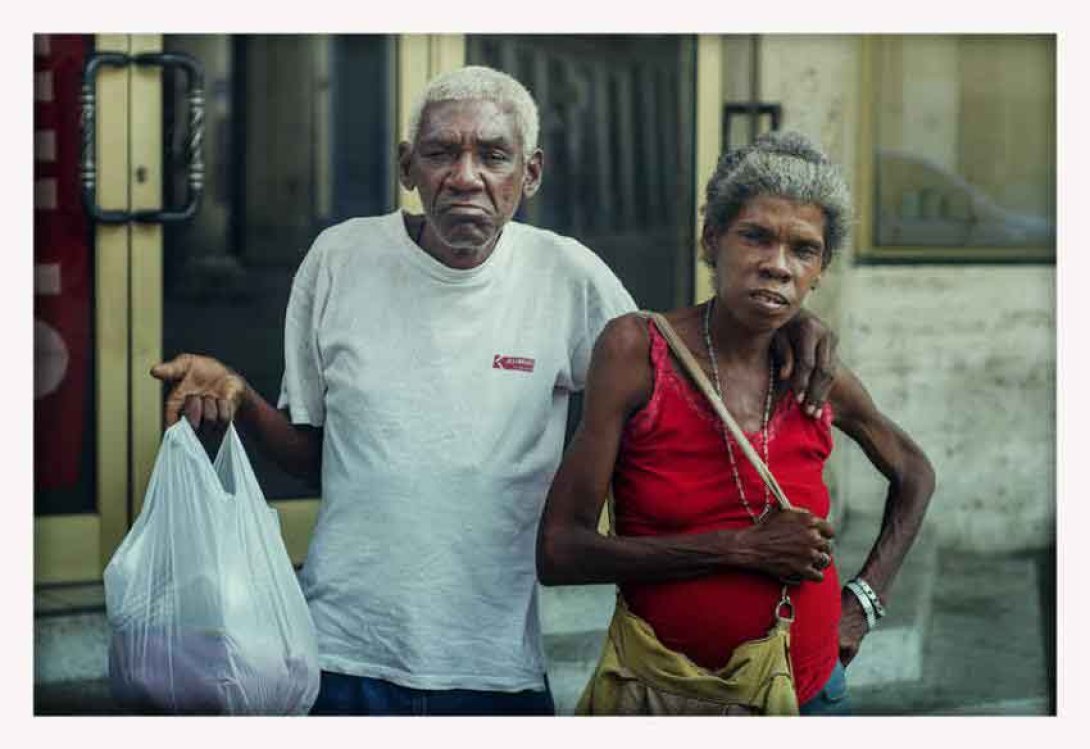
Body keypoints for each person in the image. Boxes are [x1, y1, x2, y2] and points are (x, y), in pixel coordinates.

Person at [150, 67, 840, 716]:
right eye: (441, 152)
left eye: (494, 155)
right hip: (340, 648)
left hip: (496, 662)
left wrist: (786, 320)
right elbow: (313, 455)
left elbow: (679, 376)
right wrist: (237, 396)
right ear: (406, 166)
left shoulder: (567, 275)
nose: (465, 176)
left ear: (531, 172)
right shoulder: (340, 258)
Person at [536, 130, 936, 715]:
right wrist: (741, 549)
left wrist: (866, 600)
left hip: (812, 694)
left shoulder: (815, 374)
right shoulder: (639, 352)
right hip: (670, 694)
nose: (777, 266)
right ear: (711, 239)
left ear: (819, 270)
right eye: (756, 237)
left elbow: (915, 471)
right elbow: (560, 551)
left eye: (803, 250)